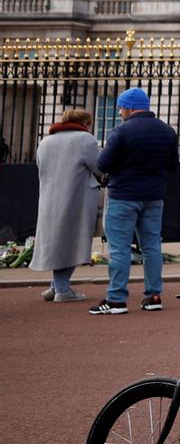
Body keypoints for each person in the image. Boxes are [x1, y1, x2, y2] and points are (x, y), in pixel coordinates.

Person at [90, 88, 177, 316]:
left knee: (119, 249)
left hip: (123, 196)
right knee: (152, 247)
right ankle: (153, 295)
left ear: (128, 108)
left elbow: (103, 163)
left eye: (121, 108)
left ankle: (116, 298)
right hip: (154, 195)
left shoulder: (122, 131)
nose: (120, 112)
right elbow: (172, 165)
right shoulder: (167, 131)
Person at [33, 109, 100, 304]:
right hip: (77, 198)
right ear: (84, 123)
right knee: (72, 242)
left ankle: (56, 286)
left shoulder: (46, 142)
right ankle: (62, 289)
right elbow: (99, 167)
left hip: (49, 199)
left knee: (57, 241)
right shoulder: (85, 140)